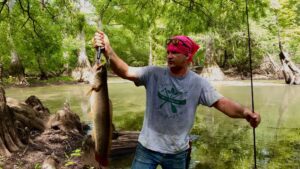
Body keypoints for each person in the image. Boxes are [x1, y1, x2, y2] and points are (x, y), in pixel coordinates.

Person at [93, 31, 261, 169]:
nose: (169, 56)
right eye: (168, 52)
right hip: (147, 148)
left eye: (174, 52)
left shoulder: (198, 83)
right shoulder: (154, 74)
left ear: (188, 57)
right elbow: (126, 71)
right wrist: (109, 51)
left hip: (177, 152)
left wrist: (246, 113)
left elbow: (223, 103)